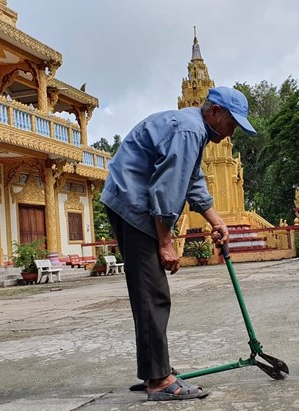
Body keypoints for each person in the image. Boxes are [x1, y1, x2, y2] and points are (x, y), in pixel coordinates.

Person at [101, 86, 257, 401]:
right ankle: (159, 380)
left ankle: (155, 371)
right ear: (215, 112)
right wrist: (165, 242)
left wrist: (216, 220)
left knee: (151, 292)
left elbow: (193, 180)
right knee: (153, 293)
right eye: (232, 124)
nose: (230, 134)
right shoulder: (189, 131)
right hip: (134, 204)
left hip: (130, 201)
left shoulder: (193, 130)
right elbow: (166, 189)